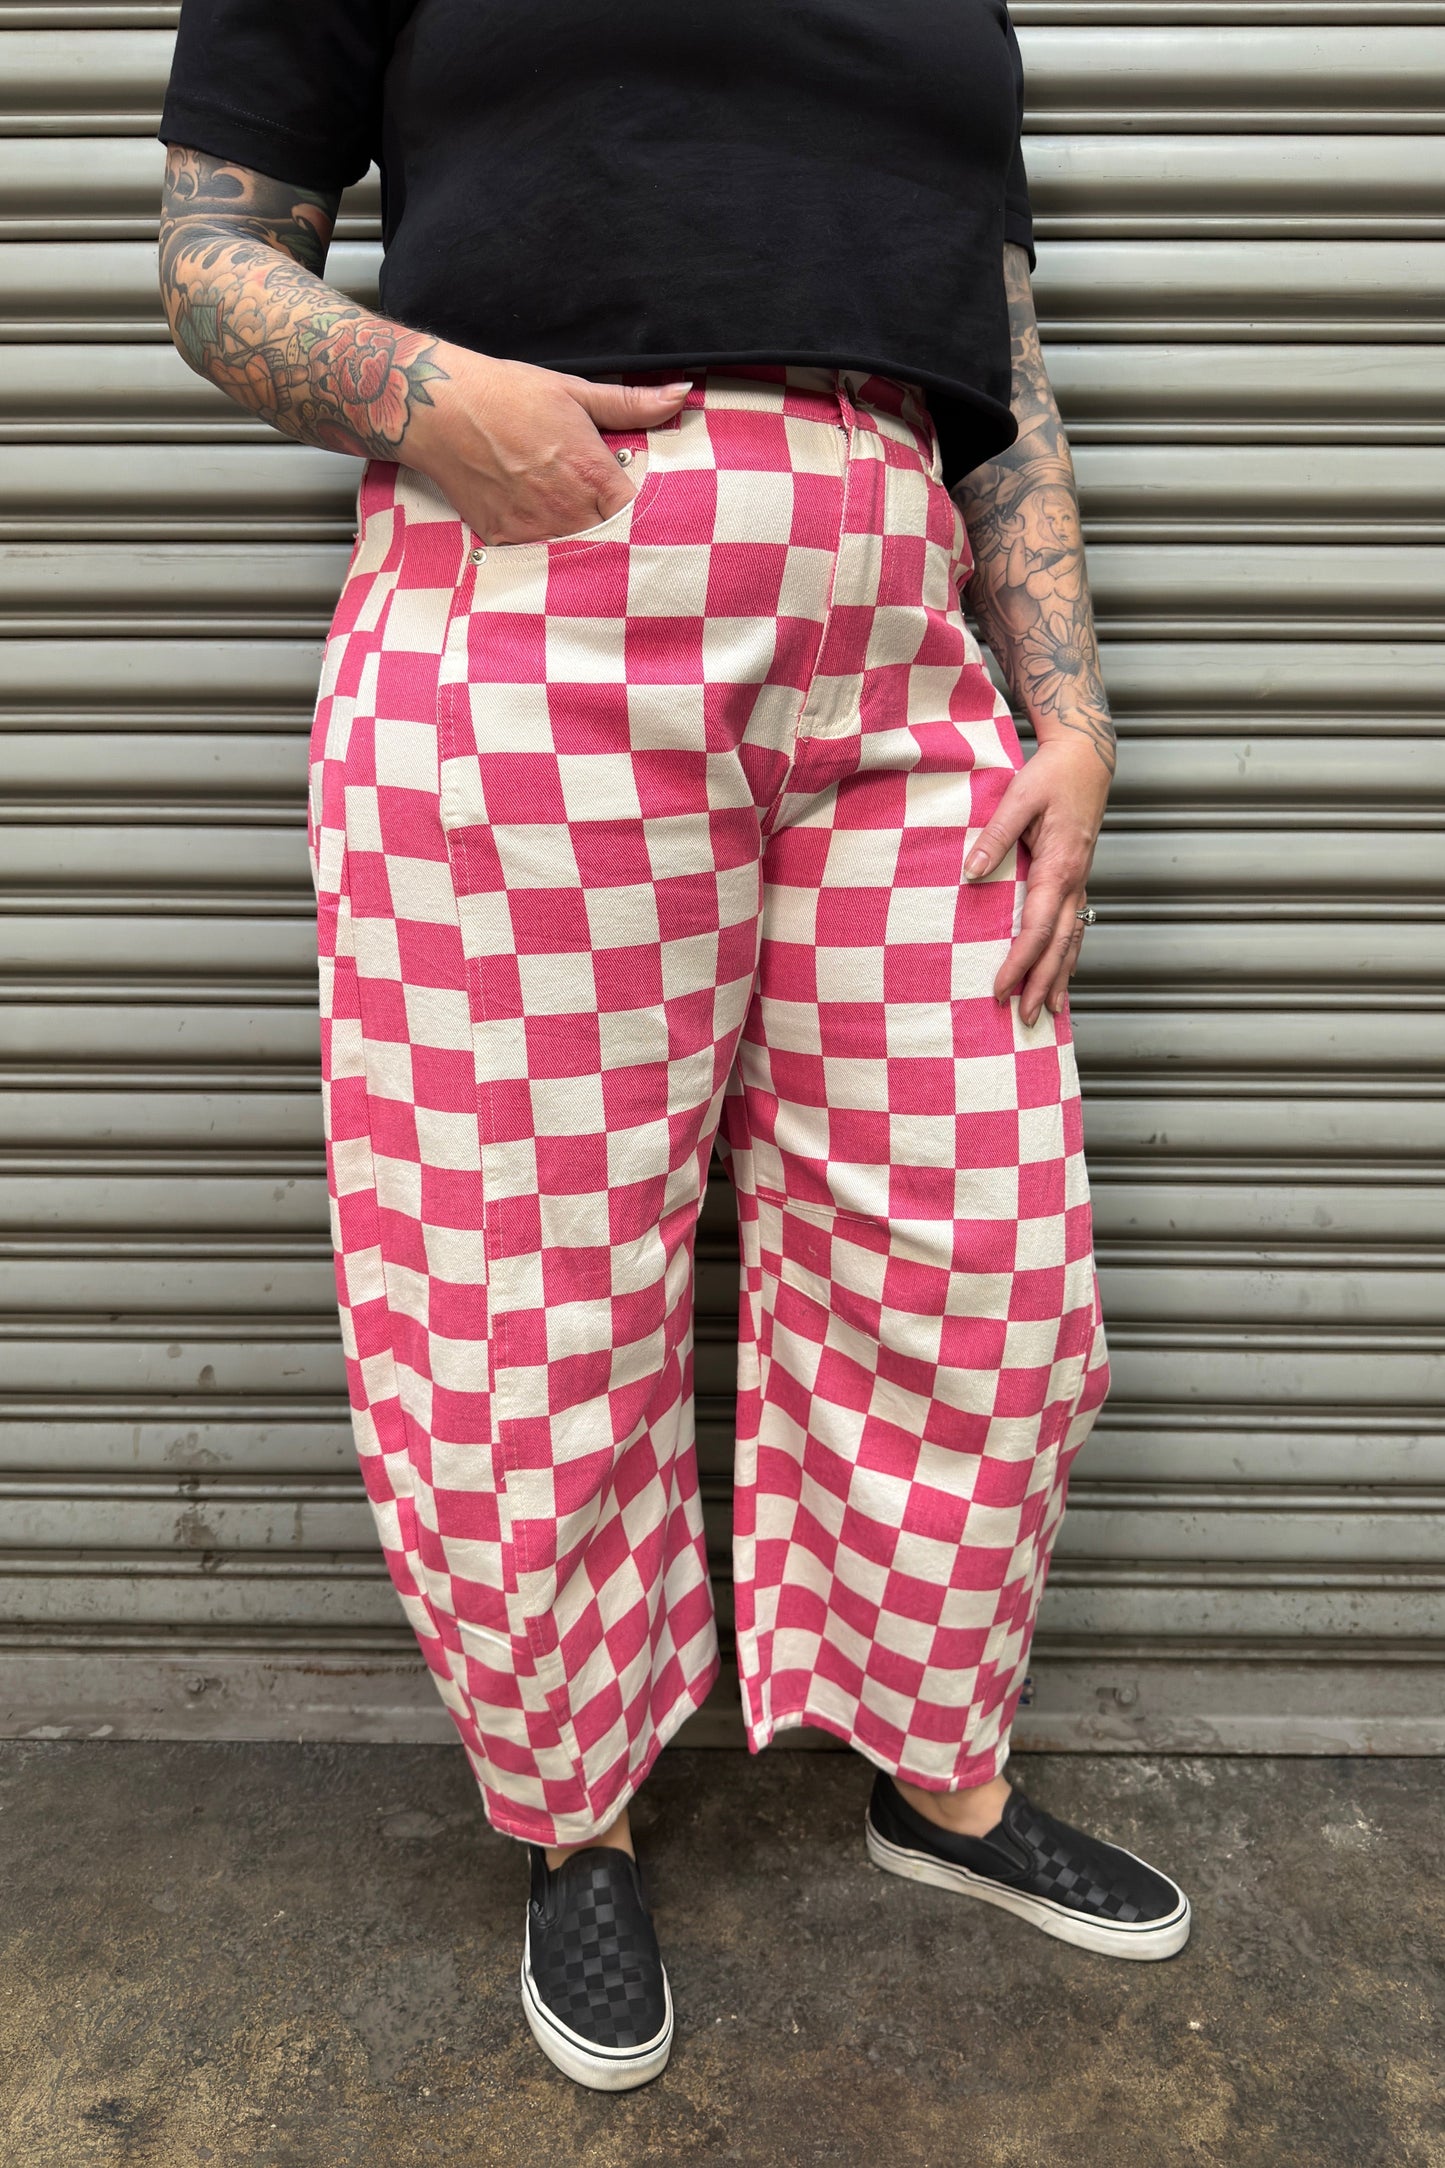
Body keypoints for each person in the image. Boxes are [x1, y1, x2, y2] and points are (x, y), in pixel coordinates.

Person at [158, 0, 1190, 2093]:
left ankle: (937, 1771)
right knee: (520, 1278)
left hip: (896, 634)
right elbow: (208, 262)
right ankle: (579, 1814)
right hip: (533, 594)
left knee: (980, 1248)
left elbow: (992, 348)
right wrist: (440, 402)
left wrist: (1065, 694)